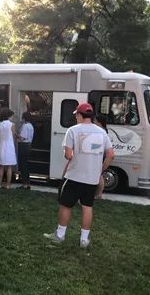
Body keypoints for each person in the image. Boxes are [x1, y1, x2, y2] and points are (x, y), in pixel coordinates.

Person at [43, 103, 114, 249]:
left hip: (74, 176)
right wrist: (100, 169)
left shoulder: (73, 131)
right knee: (87, 206)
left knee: (66, 205)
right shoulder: (102, 132)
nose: (76, 117)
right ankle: (84, 240)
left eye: (76, 115)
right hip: (92, 179)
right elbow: (111, 154)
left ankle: (60, 235)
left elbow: (68, 155)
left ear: (80, 115)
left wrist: (67, 153)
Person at [0, 108, 17, 189]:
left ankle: (0, 184)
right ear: (9, 116)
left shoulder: (0, 124)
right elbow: (13, 136)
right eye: (11, 116)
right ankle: (8, 184)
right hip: (9, 146)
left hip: (2, 145)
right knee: (9, 166)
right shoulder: (12, 125)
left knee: (1, 166)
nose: (12, 118)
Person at [16, 111, 34, 189]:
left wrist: (17, 135)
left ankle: (24, 184)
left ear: (24, 118)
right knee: (26, 165)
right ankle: (28, 183)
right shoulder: (30, 126)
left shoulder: (25, 126)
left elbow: (22, 137)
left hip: (23, 146)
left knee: (23, 165)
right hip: (28, 145)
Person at [93, 115, 108, 199]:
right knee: (99, 174)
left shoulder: (101, 132)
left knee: (99, 174)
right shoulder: (104, 130)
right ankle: (98, 193)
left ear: (99, 122)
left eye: (95, 121)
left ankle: (99, 194)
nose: (93, 122)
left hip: (100, 154)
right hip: (102, 154)